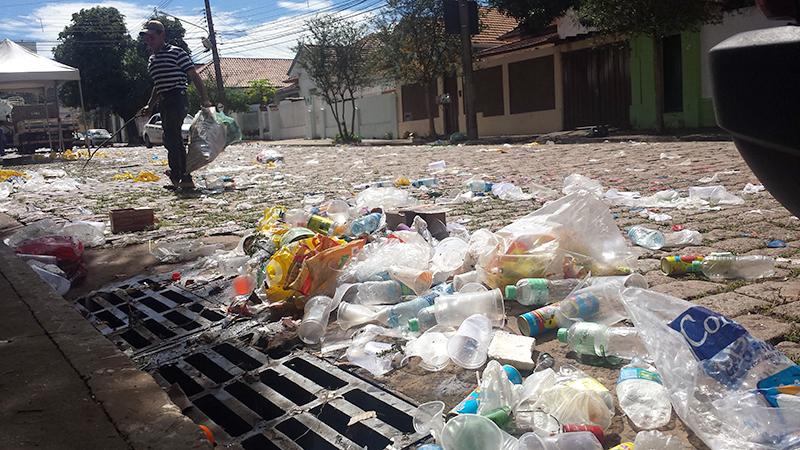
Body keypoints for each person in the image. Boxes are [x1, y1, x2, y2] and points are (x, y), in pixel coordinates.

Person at [139, 20, 211, 190]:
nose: (149, 40)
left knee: (172, 138)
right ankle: (179, 175)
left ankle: (184, 176)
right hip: (164, 100)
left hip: (177, 97)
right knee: (170, 138)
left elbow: (194, 76)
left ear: (161, 35)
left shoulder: (176, 53)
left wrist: (205, 98)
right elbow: (158, 85)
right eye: (146, 37)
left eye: (152, 36)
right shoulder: (152, 59)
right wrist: (150, 105)